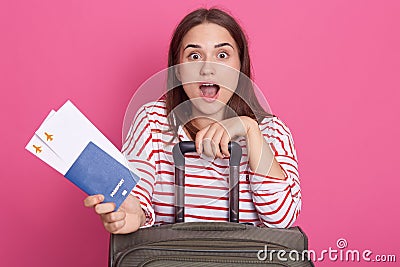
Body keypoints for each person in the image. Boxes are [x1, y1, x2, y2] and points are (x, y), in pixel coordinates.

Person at [84, 8, 301, 234]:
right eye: (194, 56)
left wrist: (249, 128)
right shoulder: (152, 122)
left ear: (240, 67)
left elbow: (280, 219)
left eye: (222, 55)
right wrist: (131, 213)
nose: (208, 68)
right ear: (178, 70)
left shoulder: (271, 132)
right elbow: (136, 197)